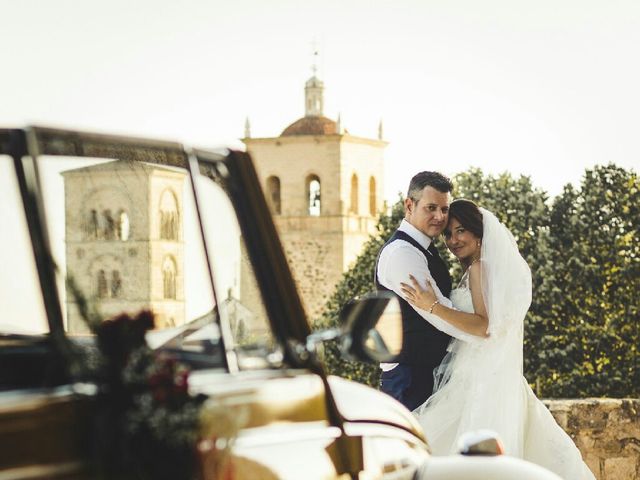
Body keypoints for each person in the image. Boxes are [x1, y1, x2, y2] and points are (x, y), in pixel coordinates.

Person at [400, 199, 595, 479]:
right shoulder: (481, 269)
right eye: (448, 234)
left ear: (479, 235)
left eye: (460, 231)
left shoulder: (480, 269)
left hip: (479, 381)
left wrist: (432, 306)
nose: (453, 241)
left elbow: (484, 328)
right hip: (486, 374)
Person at [375, 172, 485, 411]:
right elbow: (440, 318)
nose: (439, 217)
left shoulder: (425, 249)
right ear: (409, 205)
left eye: (444, 209)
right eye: (431, 208)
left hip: (424, 376)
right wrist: (485, 335)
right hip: (409, 379)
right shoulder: (403, 253)